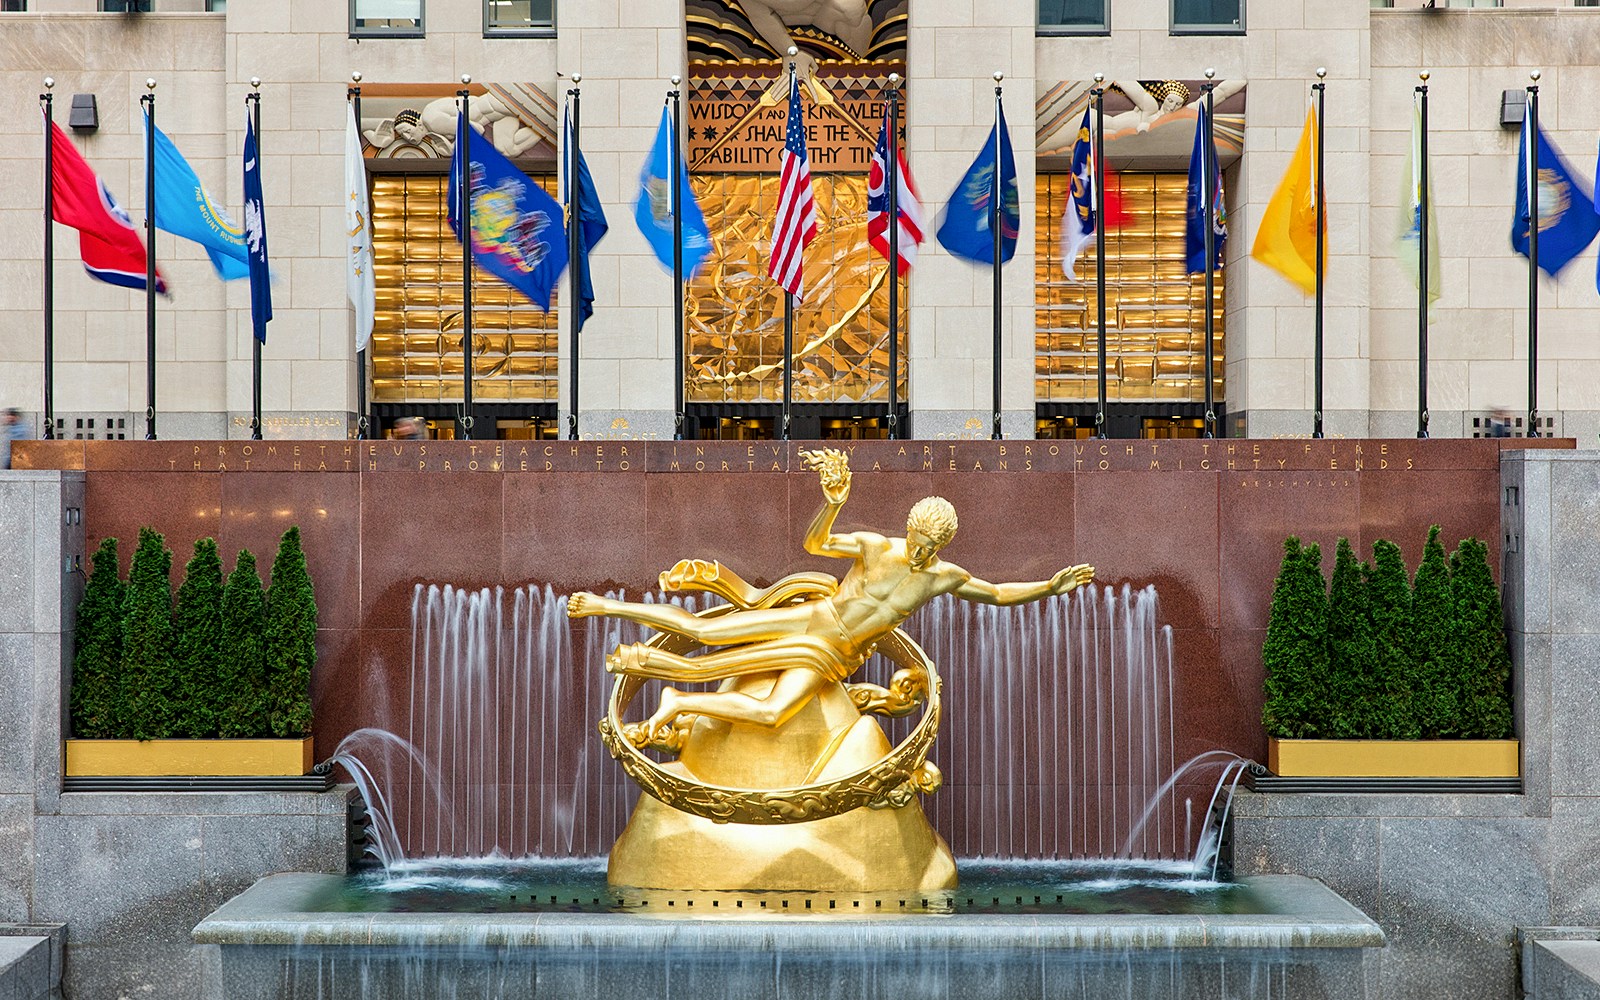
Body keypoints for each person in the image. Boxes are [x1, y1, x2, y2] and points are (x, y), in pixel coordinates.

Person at [568, 447, 1095, 742]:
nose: (918, 550)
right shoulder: (872, 546)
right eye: (916, 539)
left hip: (835, 656)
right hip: (813, 620)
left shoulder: (943, 577)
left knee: (775, 712)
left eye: (929, 545)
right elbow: (815, 542)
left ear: (943, 545)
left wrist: (1049, 587)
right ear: (908, 529)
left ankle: (678, 700)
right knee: (704, 630)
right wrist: (833, 502)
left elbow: (999, 593)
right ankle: (605, 607)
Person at [738, 0, 874, 81]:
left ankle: (862, 71)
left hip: (828, 12)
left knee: (851, 10)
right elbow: (761, 17)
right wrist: (789, 52)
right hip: (782, 20)